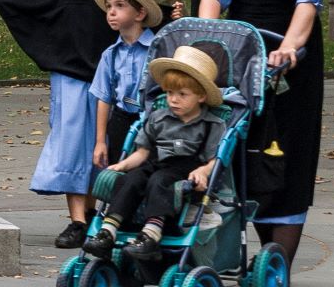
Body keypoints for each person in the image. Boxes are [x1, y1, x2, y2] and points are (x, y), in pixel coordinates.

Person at [196, 0, 334, 265]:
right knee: (240, 144)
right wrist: (207, 40)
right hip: (239, 42)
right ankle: (256, 251)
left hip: (290, 44)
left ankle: (280, 262)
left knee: (290, 145)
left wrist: (291, 47)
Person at [0, 0, 106, 248]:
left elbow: (135, 16)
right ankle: (77, 221)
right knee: (69, 145)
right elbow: (33, 15)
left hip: (104, 84)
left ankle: (92, 215)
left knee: (99, 147)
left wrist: (169, 15)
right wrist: (3, 4)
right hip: (68, 82)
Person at [81, 45, 228, 261]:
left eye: (182, 94)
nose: (173, 100)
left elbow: (214, 159)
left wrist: (204, 172)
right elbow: (142, 152)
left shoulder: (211, 124)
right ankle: (108, 230)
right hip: (156, 162)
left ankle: (151, 234)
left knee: (160, 181)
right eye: (169, 93)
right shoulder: (159, 117)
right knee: (131, 179)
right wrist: (122, 165)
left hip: (186, 170)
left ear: (201, 96)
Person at [88, 0, 163, 169]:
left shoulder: (158, 50)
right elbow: (104, 98)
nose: (111, 12)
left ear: (140, 13)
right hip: (121, 121)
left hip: (152, 121)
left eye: (120, 5)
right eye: (109, 6)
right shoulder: (110, 55)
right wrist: (100, 141)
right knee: (119, 175)